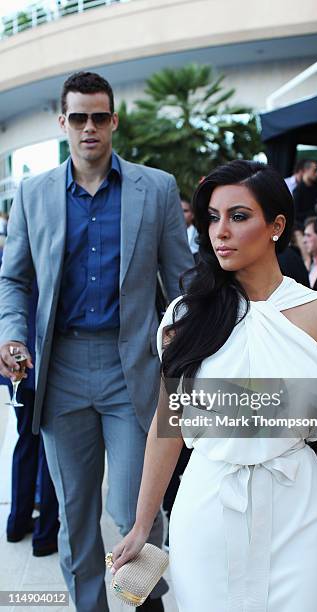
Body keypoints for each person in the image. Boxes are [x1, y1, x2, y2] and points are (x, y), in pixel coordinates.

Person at [112, 160, 317, 611]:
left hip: (300, 510)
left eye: (238, 216)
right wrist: (142, 525)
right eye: (213, 217)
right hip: (207, 504)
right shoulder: (186, 315)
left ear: (277, 225)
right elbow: (169, 423)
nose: (221, 231)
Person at [0, 71, 193, 612]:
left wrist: (189, 332)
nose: (89, 128)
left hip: (131, 363)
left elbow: (182, 279)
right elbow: (14, 279)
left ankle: (144, 604)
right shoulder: (33, 192)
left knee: (136, 508)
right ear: (63, 122)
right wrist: (12, 334)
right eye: (78, 117)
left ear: (113, 121)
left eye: (99, 117)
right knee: (75, 514)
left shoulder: (154, 188)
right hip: (60, 368)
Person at [0, 245, 59, 557]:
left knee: (26, 440)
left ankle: (17, 521)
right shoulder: (56, 247)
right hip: (44, 360)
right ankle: (46, 533)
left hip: (18, 358)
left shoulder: (16, 253)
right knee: (50, 446)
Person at [292, 159, 317, 227]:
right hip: (304, 226)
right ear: (306, 170)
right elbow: (296, 215)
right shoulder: (297, 191)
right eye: (315, 170)